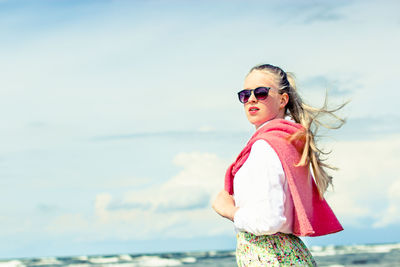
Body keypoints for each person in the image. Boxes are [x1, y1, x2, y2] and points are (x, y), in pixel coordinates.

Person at [212, 64, 345, 266]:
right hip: (287, 254)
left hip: (270, 257)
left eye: (261, 92)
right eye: (245, 95)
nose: (252, 99)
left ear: (283, 99)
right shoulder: (286, 141)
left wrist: (228, 210)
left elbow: (269, 221)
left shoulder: (265, 146)